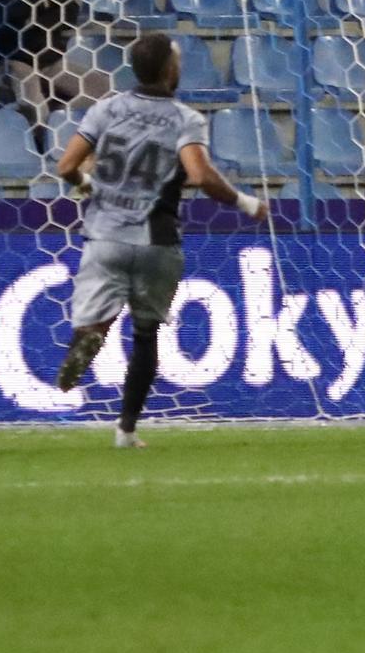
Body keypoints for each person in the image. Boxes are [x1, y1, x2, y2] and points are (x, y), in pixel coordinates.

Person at [46, 31, 252, 450]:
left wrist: (88, 183)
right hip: (158, 240)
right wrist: (245, 203)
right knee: (146, 335)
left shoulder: (104, 110)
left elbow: (66, 165)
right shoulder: (185, 119)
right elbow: (198, 175)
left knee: (92, 320)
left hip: (105, 236)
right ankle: (126, 430)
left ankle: (92, 331)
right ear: (170, 69)